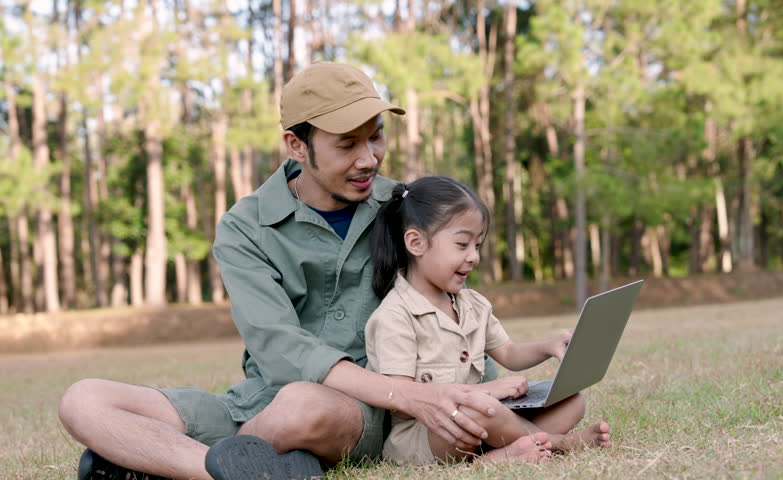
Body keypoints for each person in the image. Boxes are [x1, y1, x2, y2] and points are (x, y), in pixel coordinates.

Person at [58, 62, 505, 480]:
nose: (369, 158)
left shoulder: (403, 208)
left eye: (376, 137)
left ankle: (164, 463)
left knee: (303, 406)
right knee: (83, 399)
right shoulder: (244, 226)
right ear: (297, 144)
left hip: (364, 409)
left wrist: (461, 393)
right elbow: (277, 345)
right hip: (259, 401)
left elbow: (453, 303)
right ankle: (235, 468)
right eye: (347, 144)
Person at [365, 176, 612, 466]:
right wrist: (483, 392)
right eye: (462, 244)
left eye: (478, 245)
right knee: (479, 409)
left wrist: (549, 346)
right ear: (416, 243)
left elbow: (509, 353)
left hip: (485, 417)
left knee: (572, 402)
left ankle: (505, 450)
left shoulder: (473, 304)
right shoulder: (395, 316)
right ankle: (554, 444)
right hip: (428, 434)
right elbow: (405, 402)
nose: (473, 257)